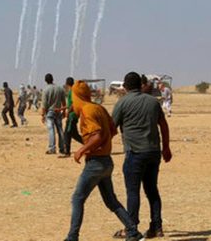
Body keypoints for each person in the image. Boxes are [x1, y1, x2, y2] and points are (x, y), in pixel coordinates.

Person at [64, 81, 144, 241]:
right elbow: (112, 129)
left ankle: (72, 237)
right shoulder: (98, 107)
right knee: (111, 201)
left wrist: (83, 149)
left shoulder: (87, 111)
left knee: (78, 198)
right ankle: (133, 232)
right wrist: (102, 143)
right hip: (106, 161)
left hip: (95, 163)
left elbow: (97, 135)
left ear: (77, 96)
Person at [112, 72, 172, 239]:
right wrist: (166, 147)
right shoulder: (153, 102)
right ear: (141, 85)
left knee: (133, 192)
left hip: (134, 153)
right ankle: (157, 227)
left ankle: (131, 228)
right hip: (153, 152)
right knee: (152, 190)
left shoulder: (122, 103)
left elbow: (111, 128)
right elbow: (164, 125)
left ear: (125, 86)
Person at [41, 73, 66, 155]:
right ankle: (62, 148)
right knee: (60, 130)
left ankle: (52, 148)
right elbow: (64, 102)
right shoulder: (60, 88)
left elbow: (44, 105)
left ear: (45, 80)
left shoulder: (46, 90)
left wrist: (42, 115)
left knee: (51, 130)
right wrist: (64, 112)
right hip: (58, 111)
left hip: (50, 112)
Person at [62, 77, 83, 158]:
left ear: (67, 84)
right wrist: (61, 109)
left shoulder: (72, 92)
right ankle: (89, 145)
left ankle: (67, 152)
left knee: (67, 133)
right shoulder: (74, 91)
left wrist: (68, 112)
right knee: (74, 134)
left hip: (72, 116)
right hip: (74, 115)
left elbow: (73, 104)